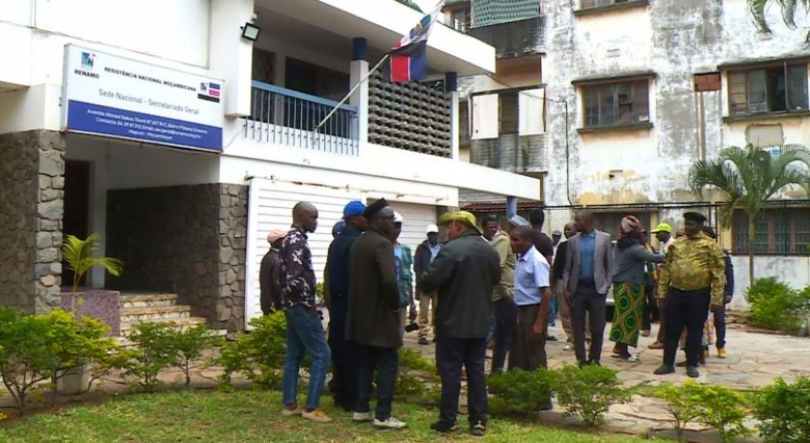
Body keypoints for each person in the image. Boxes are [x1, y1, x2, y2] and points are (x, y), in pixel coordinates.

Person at [421, 211, 500, 437]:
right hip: (479, 322)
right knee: (476, 372)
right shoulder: (490, 250)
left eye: (448, 227)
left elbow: (429, 280)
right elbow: (494, 280)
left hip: (451, 322)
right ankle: (478, 421)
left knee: (450, 372)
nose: (446, 231)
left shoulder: (451, 249)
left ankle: (449, 420)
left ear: (457, 225)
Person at [346, 199, 406, 429]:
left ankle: (361, 408)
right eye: (389, 218)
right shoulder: (382, 244)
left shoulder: (360, 242)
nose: (393, 222)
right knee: (389, 363)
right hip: (381, 316)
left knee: (366, 362)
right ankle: (383, 414)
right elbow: (390, 281)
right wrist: (394, 305)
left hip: (361, 316)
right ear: (375, 221)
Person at [653, 212, 726, 379]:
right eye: (686, 224)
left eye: (691, 224)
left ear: (700, 226)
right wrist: (662, 293)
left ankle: (692, 364)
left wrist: (717, 298)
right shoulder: (676, 244)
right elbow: (666, 269)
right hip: (676, 292)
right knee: (672, 329)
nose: (687, 227)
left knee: (695, 330)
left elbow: (718, 273)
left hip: (699, 294)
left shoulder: (710, 245)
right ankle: (667, 363)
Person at [279, 202, 332, 423]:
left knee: (294, 354)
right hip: (300, 307)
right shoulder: (297, 241)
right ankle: (311, 408)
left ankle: (290, 404)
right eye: (313, 218)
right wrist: (308, 302)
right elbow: (294, 277)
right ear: (300, 216)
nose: (316, 222)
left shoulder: (289, 239)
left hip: (291, 306)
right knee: (322, 353)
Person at [324, 201, 367, 411]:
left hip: (339, 305)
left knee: (340, 350)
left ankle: (340, 393)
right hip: (351, 304)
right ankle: (351, 397)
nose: (368, 220)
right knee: (353, 353)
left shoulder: (338, 242)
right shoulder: (354, 242)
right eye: (364, 216)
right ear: (353, 218)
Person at [510, 225, 554, 411]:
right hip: (522, 309)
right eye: (511, 239)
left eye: (516, 240)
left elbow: (546, 292)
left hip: (534, 310)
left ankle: (543, 398)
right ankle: (523, 394)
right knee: (521, 353)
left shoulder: (537, 261)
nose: (512, 244)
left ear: (528, 241)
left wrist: (539, 322)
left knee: (535, 353)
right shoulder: (521, 259)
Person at [563, 210, 614, 367]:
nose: (575, 223)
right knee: (577, 328)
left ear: (588, 222)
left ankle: (595, 359)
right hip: (577, 290)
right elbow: (567, 268)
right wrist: (566, 288)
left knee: (597, 327)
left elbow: (609, 266)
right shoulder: (573, 241)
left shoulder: (604, 239)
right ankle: (581, 360)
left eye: (578, 220)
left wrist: (606, 286)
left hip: (597, 290)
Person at [609, 216, 663, 361]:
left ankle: (619, 347)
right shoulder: (635, 248)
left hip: (622, 285)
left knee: (622, 319)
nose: (642, 233)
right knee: (628, 320)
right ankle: (623, 350)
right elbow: (655, 258)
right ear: (631, 232)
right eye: (639, 230)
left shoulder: (622, 245)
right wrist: (674, 254)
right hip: (629, 286)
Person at [483, 215, 518, 374]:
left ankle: (497, 373)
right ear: (511, 229)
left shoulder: (498, 241)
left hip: (500, 295)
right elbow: (498, 268)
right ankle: (509, 373)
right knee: (510, 337)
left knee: (502, 337)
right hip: (503, 296)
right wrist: (507, 294)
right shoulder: (504, 241)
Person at [648, 222, 676, 350]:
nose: (657, 236)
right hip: (662, 281)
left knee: (665, 312)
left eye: (658, 233)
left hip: (669, 284)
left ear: (666, 233)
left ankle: (663, 340)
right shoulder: (664, 245)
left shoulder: (671, 245)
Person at [552, 222, 578, 349]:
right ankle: (571, 338)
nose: (567, 232)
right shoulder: (562, 247)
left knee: (582, 313)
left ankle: (587, 338)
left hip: (578, 282)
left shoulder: (581, 244)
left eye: (569, 229)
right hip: (562, 282)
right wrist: (553, 284)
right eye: (565, 229)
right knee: (565, 312)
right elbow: (556, 266)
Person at [414, 224, 442, 345]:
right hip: (425, 283)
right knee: (424, 311)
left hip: (438, 283)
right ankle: (423, 334)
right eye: (430, 234)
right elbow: (417, 266)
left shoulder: (442, 248)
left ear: (437, 235)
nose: (432, 236)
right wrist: (420, 281)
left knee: (438, 310)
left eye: (434, 234)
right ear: (427, 235)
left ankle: (437, 333)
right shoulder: (421, 248)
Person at [392, 211, 418, 336]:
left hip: (401, 298)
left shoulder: (405, 250)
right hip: (385, 301)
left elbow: (408, 278)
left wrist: (412, 304)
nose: (396, 229)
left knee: (399, 336)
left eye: (398, 226)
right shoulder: (380, 247)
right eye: (393, 225)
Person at [260, 229, 287, 315]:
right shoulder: (276, 259)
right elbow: (277, 284)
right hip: (275, 305)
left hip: (267, 302)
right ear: (277, 241)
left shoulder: (267, 257)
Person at [640, 230, 659, 337]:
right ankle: (646, 327)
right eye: (642, 235)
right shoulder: (636, 249)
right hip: (640, 279)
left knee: (653, 302)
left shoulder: (650, 248)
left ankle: (649, 318)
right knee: (643, 304)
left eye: (646, 236)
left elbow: (655, 263)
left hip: (651, 278)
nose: (644, 237)